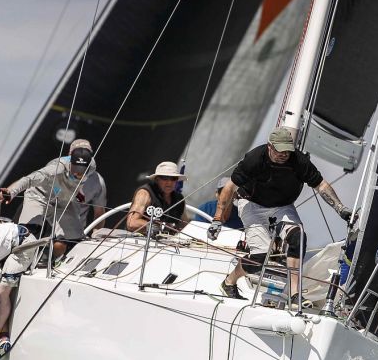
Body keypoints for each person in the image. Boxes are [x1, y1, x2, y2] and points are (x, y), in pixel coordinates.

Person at [208, 126, 352, 300]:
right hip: (252, 204)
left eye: (287, 151)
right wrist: (217, 219)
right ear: (270, 146)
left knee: (298, 238)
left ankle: (294, 294)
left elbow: (321, 185)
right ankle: (229, 282)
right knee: (259, 257)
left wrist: (339, 208)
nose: (284, 155)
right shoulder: (254, 159)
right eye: (280, 151)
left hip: (282, 206)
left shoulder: (299, 161)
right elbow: (230, 187)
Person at [0, 140, 106, 257]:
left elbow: (97, 207)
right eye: (75, 171)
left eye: (82, 172)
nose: (78, 175)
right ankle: (8, 257)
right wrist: (10, 192)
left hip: (62, 201)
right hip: (40, 196)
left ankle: (54, 263)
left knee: (73, 240)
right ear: (70, 160)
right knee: (27, 233)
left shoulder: (92, 168)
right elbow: (29, 180)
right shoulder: (55, 168)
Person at [127, 162, 190, 234]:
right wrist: (161, 226)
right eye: (165, 178)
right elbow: (131, 223)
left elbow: (185, 226)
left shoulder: (179, 199)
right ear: (157, 179)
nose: (169, 182)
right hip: (140, 240)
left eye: (173, 178)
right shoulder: (144, 194)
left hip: (170, 242)